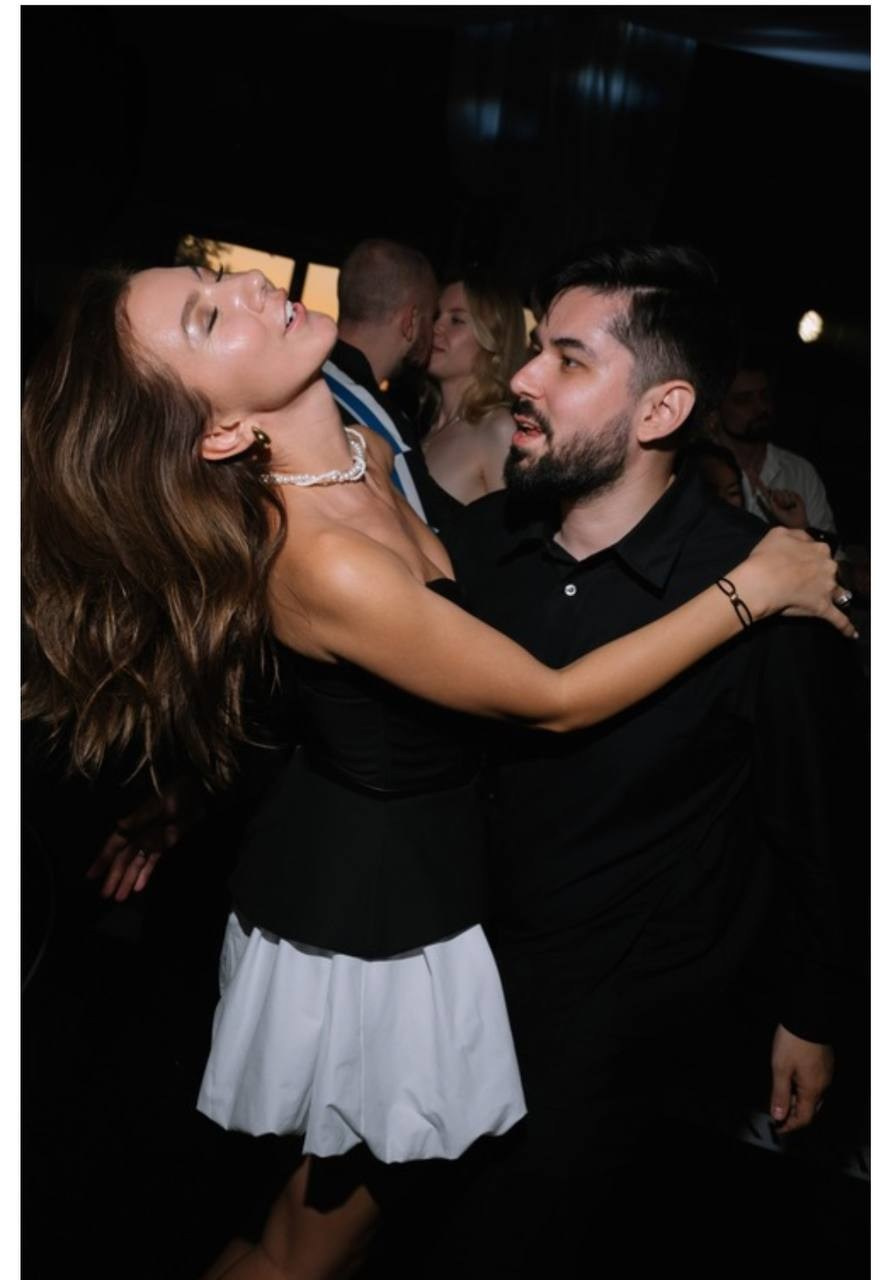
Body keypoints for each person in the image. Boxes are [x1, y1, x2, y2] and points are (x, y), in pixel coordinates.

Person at [21, 262, 851, 1280]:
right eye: (207, 317)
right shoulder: (323, 555)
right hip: (376, 924)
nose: (246, 290)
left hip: (441, 900)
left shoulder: (366, 449)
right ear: (222, 431)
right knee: (310, 1241)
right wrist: (751, 589)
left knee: (337, 1227)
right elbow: (550, 699)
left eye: (213, 278)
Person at [429, 244, 860, 1276]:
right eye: (534, 349)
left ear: (662, 410)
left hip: (617, 1027)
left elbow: (816, 817)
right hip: (438, 978)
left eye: (567, 360)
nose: (523, 378)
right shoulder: (482, 547)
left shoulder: (766, 588)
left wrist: (811, 1012)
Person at [321, 237, 459, 530]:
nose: (436, 330)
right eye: (432, 316)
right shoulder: (376, 421)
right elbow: (427, 530)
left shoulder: (304, 377)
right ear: (410, 321)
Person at [421, 275, 527, 504]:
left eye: (456, 320)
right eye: (436, 315)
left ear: (494, 337)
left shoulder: (499, 429)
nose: (436, 327)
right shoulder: (424, 426)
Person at [718, 356, 837, 535]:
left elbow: (828, 547)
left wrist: (800, 529)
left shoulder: (800, 471)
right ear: (717, 408)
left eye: (764, 396)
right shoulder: (701, 471)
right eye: (743, 399)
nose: (760, 407)